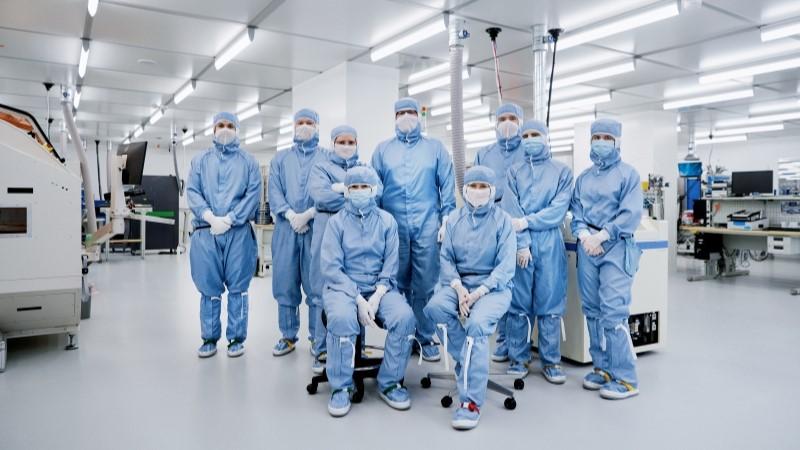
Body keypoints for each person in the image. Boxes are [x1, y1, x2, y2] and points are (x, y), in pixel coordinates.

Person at [424, 166, 516, 430]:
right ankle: (467, 359)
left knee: (476, 325)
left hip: (494, 289)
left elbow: (505, 265)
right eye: (473, 186)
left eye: (483, 187)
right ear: (464, 190)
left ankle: (470, 402)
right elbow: (447, 258)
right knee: (434, 309)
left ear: (492, 191)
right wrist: (459, 287)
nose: (477, 191)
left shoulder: (503, 221)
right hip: (459, 286)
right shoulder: (454, 219)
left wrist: (479, 292)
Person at [321, 166, 416, 417]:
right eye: (354, 187)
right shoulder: (336, 223)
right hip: (343, 288)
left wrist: (376, 296)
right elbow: (332, 268)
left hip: (380, 288)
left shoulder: (387, 221)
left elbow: (391, 263)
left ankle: (390, 382)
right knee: (342, 318)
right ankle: (341, 387)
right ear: (347, 192)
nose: (360, 191)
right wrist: (358, 299)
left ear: (374, 189)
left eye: (365, 187)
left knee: (405, 318)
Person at [371, 97, 456, 362]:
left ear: (420, 115)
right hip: (393, 226)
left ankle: (425, 336)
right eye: (401, 112)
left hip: (427, 225)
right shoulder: (383, 150)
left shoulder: (435, 148)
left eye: (411, 112)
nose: (406, 116)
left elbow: (448, 186)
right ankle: (402, 333)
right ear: (394, 117)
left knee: (425, 283)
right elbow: (374, 190)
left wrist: (447, 220)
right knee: (395, 281)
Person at [570, 118, 643, 400]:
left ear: (617, 141)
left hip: (616, 248)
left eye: (606, 137)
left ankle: (625, 378)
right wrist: (585, 236)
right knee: (593, 310)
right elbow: (577, 213)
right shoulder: (584, 178)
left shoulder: (628, 175)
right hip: (589, 250)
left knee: (613, 312)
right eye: (596, 137)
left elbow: (630, 214)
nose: (600, 141)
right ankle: (602, 368)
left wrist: (603, 236)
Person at [504, 120, 574, 383]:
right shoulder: (514, 172)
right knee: (519, 304)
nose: (530, 139)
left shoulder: (562, 172)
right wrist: (521, 243)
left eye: (535, 134)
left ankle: (551, 361)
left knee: (550, 303)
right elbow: (512, 210)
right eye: (526, 135)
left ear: (546, 137)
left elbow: (558, 210)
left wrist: (528, 222)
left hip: (549, 243)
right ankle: (519, 358)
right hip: (521, 243)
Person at [187, 112, 261, 358]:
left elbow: (253, 194)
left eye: (230, 126)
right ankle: (209, 339)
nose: (225, 129)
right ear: (213, 128)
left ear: (237, 130)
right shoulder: (200, 161)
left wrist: (230, 219)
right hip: (205, 232)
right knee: (209, 288)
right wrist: (209, 216)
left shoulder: (248, 162)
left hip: (238, 233)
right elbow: (193, 191)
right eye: (221, 125)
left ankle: (236, 340)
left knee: (238, 288)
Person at [269, 108, 327, 356]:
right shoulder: (280, 159)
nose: (304, 126)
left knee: (317, 286)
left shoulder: (327, 157)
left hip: (317, 229)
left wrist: (310, 213)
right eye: (300, 122)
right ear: (293, 126)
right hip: (285, 229)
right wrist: (291, 214)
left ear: (317, 126)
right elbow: (274, 191)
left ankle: (317, 338)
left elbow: (329, 191)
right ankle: (288, 335)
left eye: (309, 122)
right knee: (285, 282)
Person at [307, 125, 363, 374]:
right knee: (322, 289)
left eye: (351, 142)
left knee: (357, 289)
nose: (347, 146)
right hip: (325, 228)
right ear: (332, 143)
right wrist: (354, 193)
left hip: (357, 235)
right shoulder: (320, 167)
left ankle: (355, 347)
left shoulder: (365, 168)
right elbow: (320, 197)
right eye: (342, 141)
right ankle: (320, 348)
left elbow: (376, 193)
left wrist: (338, 189)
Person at [474, 102, 526, 363]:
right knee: (495, 280)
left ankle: (514, 342)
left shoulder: (529, 151)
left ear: (521, 121)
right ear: (495, 123)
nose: (507, 123)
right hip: (489, 223)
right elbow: (473, 188)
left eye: (512, 118)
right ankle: (501, 339)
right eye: (502, 118)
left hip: (519, 223)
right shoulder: (484, 154)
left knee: (517, 285)